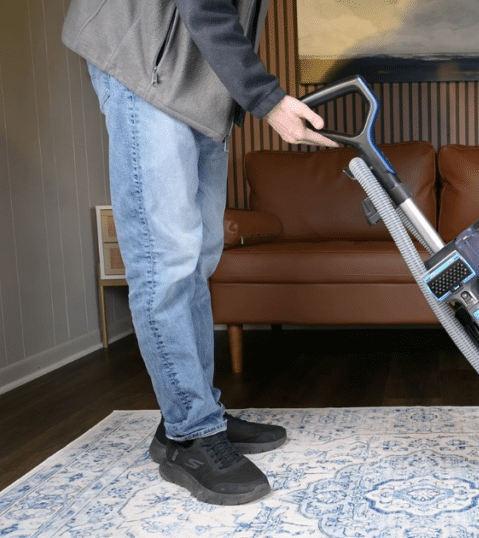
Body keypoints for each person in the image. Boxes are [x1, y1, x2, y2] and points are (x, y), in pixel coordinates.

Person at [62, 0, 337, 505]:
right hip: (147, 60)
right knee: (164, 259)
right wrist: (268, 99)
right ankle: (192, 436)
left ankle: (192, 414)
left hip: (200, 77)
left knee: (200, 256)